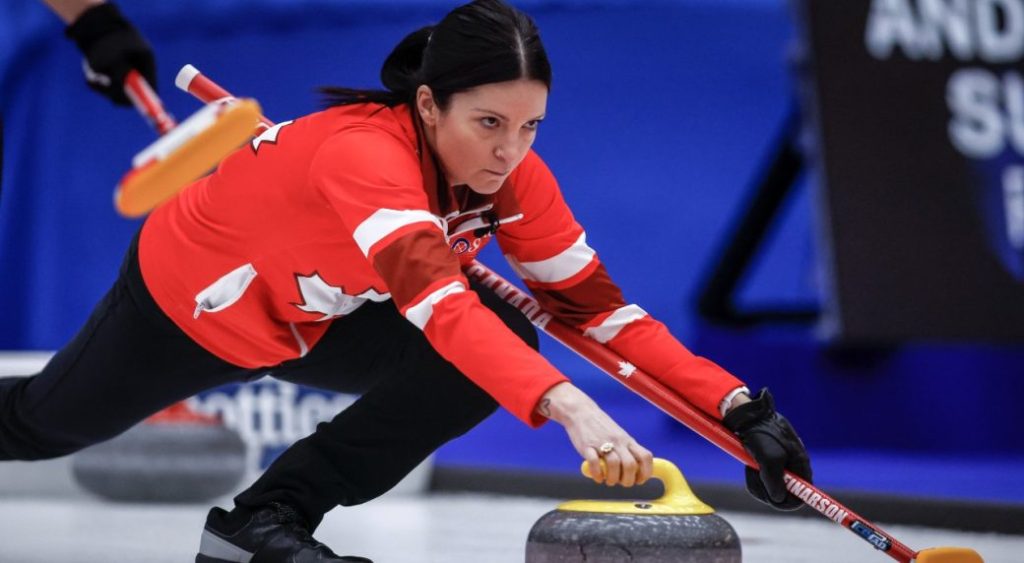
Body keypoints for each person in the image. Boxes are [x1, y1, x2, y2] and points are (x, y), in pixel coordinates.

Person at [0, 1, 812, 561]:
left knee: (502, 341)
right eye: (488, 123)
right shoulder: (365, 156)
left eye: (530, 127)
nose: (509, 152)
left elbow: (601, 312)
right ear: (429, 106)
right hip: (186, 304)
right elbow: (441, 307)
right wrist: (568, 404)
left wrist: (737, 407)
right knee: (39, 429)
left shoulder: (514, 179)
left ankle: (264, 521)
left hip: (310, 319)